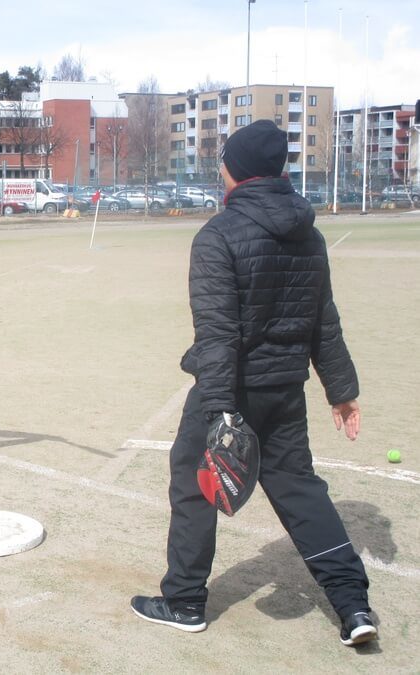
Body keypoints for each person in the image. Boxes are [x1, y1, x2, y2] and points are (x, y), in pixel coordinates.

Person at [130, 120, 376, 647]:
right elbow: (323, 321)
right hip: (285, 390)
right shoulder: (308, 233)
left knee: (195, 486)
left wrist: (219, 410)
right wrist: (341, 389)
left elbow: (217, 336)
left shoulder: (218, 235)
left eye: (223, 160)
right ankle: (353, 604)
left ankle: (184, 600)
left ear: (234, 169)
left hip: (232, 392)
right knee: (299, 490)